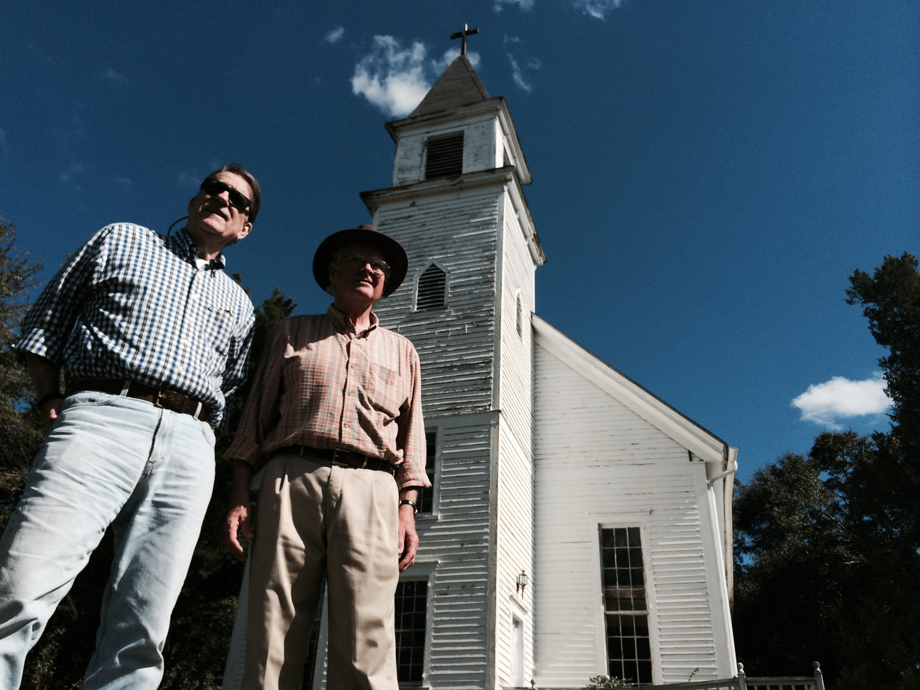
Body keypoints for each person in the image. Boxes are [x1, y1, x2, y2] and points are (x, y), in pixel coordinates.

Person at [0, 164, 260, 689]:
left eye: (238, 199)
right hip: (101, 415)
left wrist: (207, 439)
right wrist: (50, 394)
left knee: (144, 622)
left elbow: (231, 391)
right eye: (214, 187)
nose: (223, 198)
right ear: (195, 197)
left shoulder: (242, 306)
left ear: (245, 227)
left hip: (190, 442)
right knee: (22, 585)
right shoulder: (122, 239)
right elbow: (46, 321)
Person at [224, 223, 429, 690]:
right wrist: (241, 493)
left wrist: (407, 506)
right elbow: (253, 419)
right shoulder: (291, 333)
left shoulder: (404, 351)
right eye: (358, 259)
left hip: (373, 486)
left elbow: (412, 438)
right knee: (274, 624)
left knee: (368, 631)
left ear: (385, 284)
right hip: (289, 477)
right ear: (333, 273)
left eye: (379, 265)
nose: (370, 268)